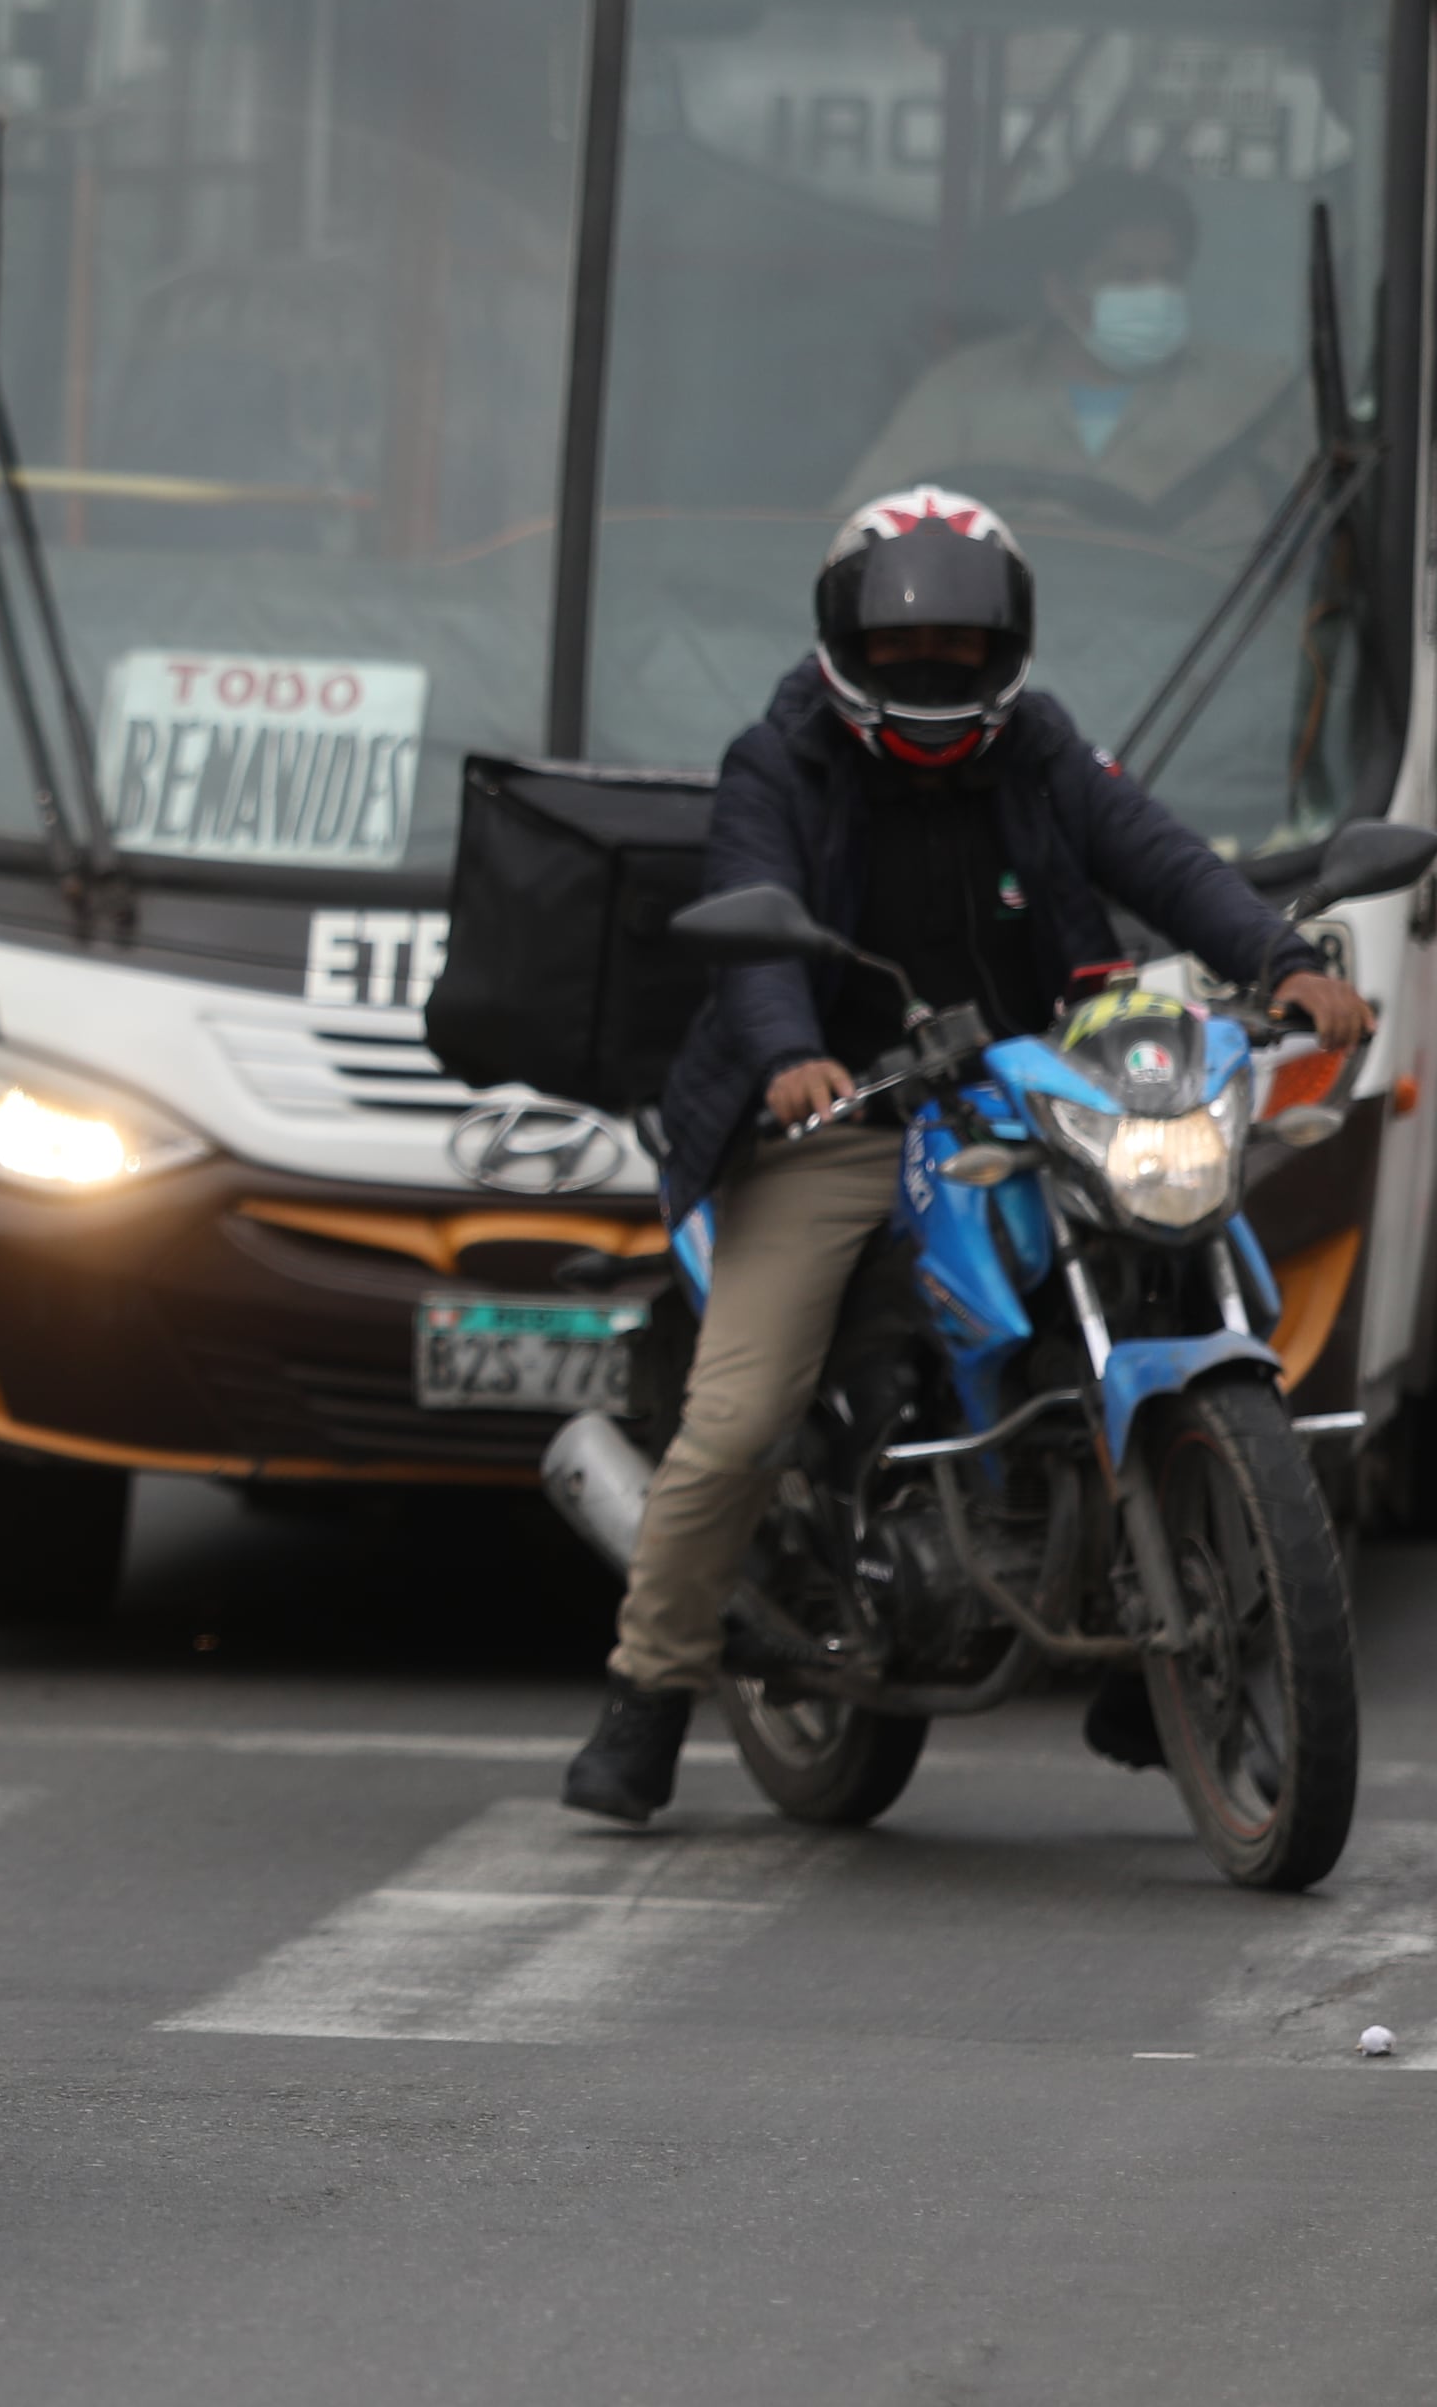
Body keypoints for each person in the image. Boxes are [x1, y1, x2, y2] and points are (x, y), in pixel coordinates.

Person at [564, 486, 1377, 1827]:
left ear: (1009, 652)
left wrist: (1283, 963)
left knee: (1179, 1252)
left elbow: (1162, 859)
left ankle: (1158, 1640)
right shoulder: (780, 761)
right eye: (903, 652)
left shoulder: (1040, 747)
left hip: (1023, 1091)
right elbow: (758, 934)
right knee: (745, 1413)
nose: (931, 672)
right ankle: (648, 1686)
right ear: (846, 645)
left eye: (959, 650)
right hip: (839, 1113)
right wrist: (789, 1058)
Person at [837, 172, 1300, 529]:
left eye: (1169, 275)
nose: (1155, 294)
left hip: (1210, 647)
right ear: (1059, 291)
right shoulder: (963, 390)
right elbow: (862, 529)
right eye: (1127, 276)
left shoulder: (1258, 398)